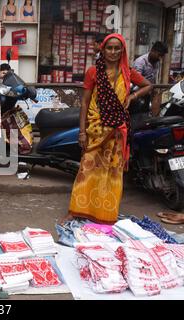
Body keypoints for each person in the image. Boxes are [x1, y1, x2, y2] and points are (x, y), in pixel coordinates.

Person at [63, 34, 152, 224]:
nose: (113, 52)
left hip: (117, 130)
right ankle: (75, 211)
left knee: (111, 173)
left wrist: (132, 97)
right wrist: (81, 131)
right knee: (86, 170)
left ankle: (105, 214)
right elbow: (85, 103)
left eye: (116, 48)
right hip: (95, 129)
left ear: (122, 51)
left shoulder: (127, 72)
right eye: (109, 48)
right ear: (102, 50)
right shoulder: (93, 72)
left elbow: (147, 85)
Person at [133, 41, 168, 116]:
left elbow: (153, 78)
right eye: (159, 55)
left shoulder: (156, 62)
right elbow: (136, 81)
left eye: (162, 56)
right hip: (137, 96)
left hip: (147, 95)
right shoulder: (140, 62)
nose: (160, 58)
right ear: (153, 50)